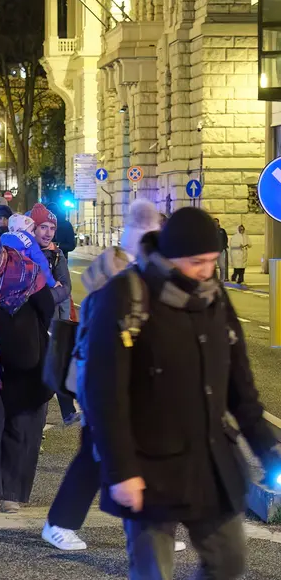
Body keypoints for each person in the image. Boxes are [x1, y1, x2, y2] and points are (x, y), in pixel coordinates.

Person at [84, 206, 281, 579]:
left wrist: (269, 450)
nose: (207, 271)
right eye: (196, 262)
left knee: (229, 563)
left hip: (210, 460)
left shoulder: (214, 295)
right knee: (153, 572)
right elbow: (104, 393)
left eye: (212, 260)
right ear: (170, 256)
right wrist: (122, 470)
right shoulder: (127, 295)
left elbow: (241, 386)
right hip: (148, 466)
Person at [41, 199, 162, 552]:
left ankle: (148, 527)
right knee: (95, 456)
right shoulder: (119, 279)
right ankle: (59, 523)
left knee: (133, 455)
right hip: (105, 385)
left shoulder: (134, 274)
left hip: (126, 384)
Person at [0, 223, 54, 515]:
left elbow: (46, 308)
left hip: (27, 362)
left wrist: (26, 337)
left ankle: (12, 493)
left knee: (20, 428)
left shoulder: (26, 271)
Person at [28, 204, 76, 424]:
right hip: (28, 323)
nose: (48, 233)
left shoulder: (57, 255)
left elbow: (66, 287)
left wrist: (45, 298)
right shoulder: (21, 253)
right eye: (43, 227)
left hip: (51, 320)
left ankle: (56, 415)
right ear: (33, 228)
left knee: (53, 365)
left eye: (52, 228)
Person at [1, 214, 59, 289]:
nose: (33, 234)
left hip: (4, 281)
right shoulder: (29, 240)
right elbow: (42, 263)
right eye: (31, 231)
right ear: (22, 229)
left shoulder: (3, 238)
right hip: (23, 281)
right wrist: (52, 283)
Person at [214, 217, 229, 282]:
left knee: (222, 266)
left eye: (216, 222)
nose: (215, 223)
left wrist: (224, 247)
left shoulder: (222, 231)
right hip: (213, 252)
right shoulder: (209, 230)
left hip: (221, 251)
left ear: (218, 223)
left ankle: (222, 280)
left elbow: (225, 239)